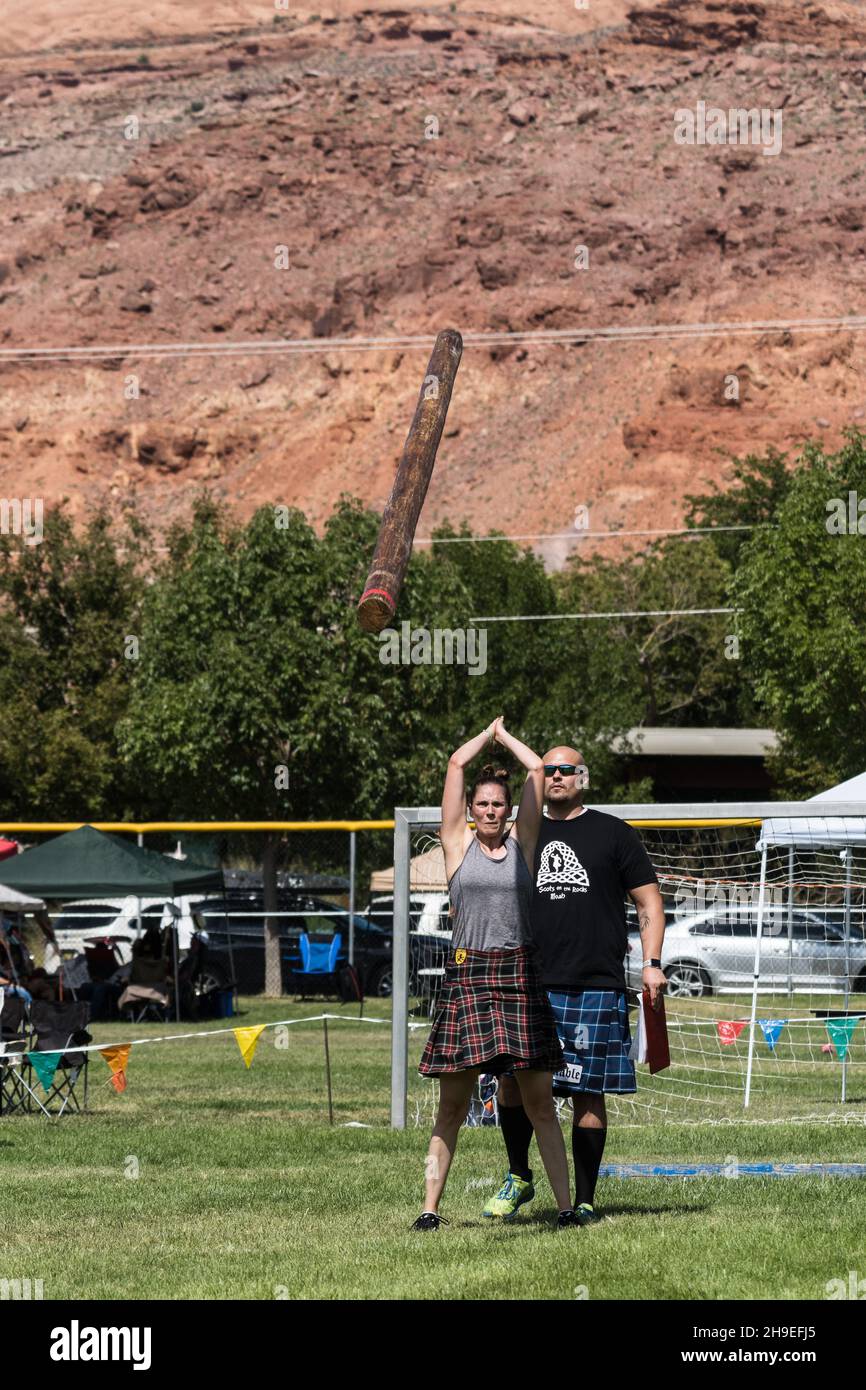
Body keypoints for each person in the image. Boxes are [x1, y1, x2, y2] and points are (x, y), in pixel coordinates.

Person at [482, 747, 666, 1226]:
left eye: (567, 769)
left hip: (595, 982)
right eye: (549, 770)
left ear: (583, 777)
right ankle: (519, 1175)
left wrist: (651, 962)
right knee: (510, 1081)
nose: (557, 775)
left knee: (589, 1091)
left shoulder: (613, 833)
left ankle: (585, 1199)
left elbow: (649, 901)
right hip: (529, 979)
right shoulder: (525, 830)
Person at [412, 717, 581, 1230]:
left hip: (518, 973)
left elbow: (534, 767)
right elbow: (456, 763)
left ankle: (566, 1208)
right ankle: (429, 1210)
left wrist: (506, 738)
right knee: (452, 1107)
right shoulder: (457, 845)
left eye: (497, 804)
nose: (489, 810)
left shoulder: (525, 845)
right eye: (482, 804)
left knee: (540, 1104)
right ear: (470, 811)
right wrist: (484, 735)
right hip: (468, 974)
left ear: (509, 811)